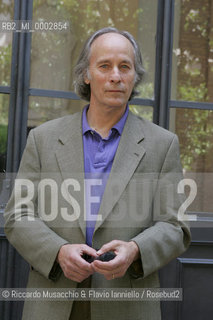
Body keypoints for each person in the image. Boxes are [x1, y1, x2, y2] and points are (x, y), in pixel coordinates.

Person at [4, 27, 190, 320]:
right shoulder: (43, 138)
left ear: (135, 76)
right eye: (104, 66)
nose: (115, 75)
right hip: (53, 300)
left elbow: (175, 225)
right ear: (86, 74)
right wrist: (57, 251)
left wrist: (135, 249)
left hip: (127, 304)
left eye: (124, 66)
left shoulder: (162, 144)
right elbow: (17, 215)